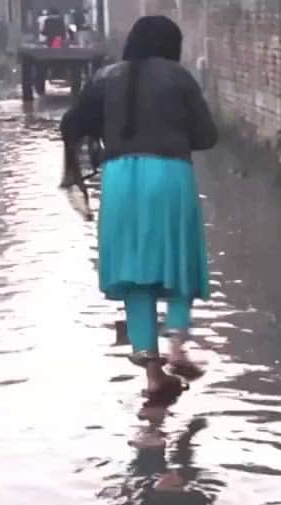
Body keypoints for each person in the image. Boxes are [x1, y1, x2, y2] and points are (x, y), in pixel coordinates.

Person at [59, 15, 218, 401]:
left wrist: (104, 137)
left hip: (119, 180)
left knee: (134, 272)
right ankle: (178, 347)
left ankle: (152, 375)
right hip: (169, 175)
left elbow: (70, 124)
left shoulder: (104, 79)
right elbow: (207, 136)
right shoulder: (178, 77)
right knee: (179, 259)